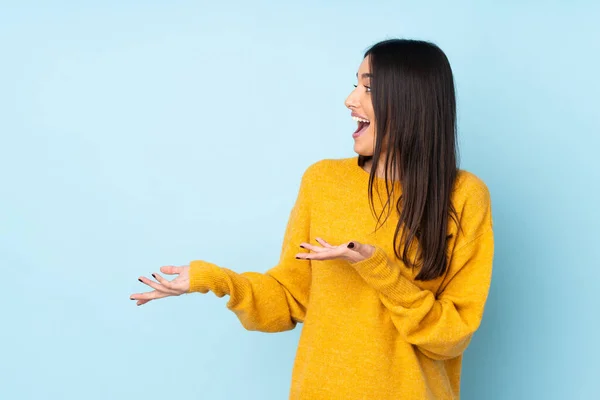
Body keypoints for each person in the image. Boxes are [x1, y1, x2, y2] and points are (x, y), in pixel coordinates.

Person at [130, 38, 494, 400]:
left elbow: (451, 337)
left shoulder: (462, 196)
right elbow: (290, 298)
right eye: (355, 84)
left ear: (411, 101)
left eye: (368, 87)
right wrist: (214, 279)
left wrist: (377, 268)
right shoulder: (322, 181)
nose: (351, 100)